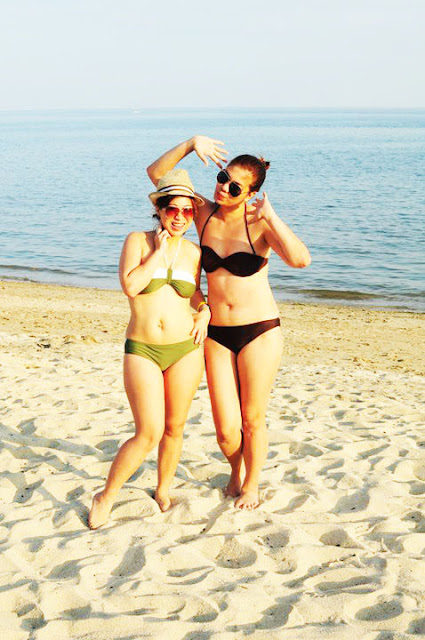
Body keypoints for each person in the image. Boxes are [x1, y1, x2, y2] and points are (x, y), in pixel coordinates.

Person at [147, 137, 311, 510]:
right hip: (217, 333)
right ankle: (236, 467)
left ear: (250, 194)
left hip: (260, 330)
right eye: (222, 178)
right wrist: (191, 145)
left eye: (235, 187)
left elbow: (301, 260)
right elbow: (157, 174)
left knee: (252, 418)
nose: (223, 188)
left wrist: (271, 216)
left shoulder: (259, 224)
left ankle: (251, 484)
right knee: (225, 431)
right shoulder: (203, 213)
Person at [88, 169, 211, 528]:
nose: (180, 217)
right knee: (148, 432)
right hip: (143, 349)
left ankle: (163, 489)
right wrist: (158, 253)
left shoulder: (194, 252)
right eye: (172, 209)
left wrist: (205, 311)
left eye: (187, 211)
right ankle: (105, 496)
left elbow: (194, 292)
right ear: (159, 209)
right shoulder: (138, 241)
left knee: (175, 426)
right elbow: (130, 285)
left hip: (186, 348)